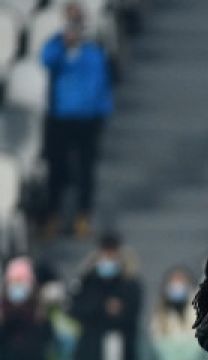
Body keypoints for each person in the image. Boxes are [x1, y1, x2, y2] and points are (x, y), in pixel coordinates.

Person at [40, 2, 114, 239]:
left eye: (77, 23)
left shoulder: (93, 53)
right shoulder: (56, 50)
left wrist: (103, 112)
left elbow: (101, 85)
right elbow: (45, 59)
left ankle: (83, 215)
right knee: (57, 169)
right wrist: (63, 43)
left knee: (85, 171)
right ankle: (53, 215)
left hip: (87, 120)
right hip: (60, 118)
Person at [69, 231, 141, 360]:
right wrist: (104, 307)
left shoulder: (130, 283)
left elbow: (128, 316)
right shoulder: (86, 281)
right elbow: (75, 310)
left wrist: (97, 312)